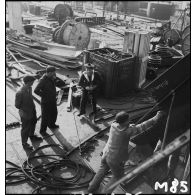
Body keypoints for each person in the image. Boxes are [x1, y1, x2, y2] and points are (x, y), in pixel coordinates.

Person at [88, 110, 165, 193]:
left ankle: (91, 188)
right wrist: (155, 118)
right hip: (115, 160)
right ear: (124, 122)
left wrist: (129, 125)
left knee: (102, 169)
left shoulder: (114, 124)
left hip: (106, 153)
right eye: (128, 120)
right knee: (118, 177)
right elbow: (142, 127)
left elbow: (124, 127)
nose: (129, 120)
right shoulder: (127, 132)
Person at [15, 75, 42, 150]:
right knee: (25, 128)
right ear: (28, 82)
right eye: (32, 82)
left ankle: (31, 135)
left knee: (33, 122)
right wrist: (25, 109)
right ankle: (24, 143)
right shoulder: (20, 92)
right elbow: (17, 105)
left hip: (32, 110)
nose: (33, 84)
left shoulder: (29, 88)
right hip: (25, 113)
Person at [34, 66, 59, 137]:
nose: (55, 74)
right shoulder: (43, 80)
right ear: (49, 72)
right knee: (45, 117)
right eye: (53, 73)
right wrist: (44, 96)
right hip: (46, 102)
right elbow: (36, 90)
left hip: (52, 100)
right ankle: (43, 131)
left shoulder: (51, 77)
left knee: (54, 113)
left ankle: (52, 124)